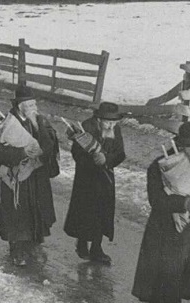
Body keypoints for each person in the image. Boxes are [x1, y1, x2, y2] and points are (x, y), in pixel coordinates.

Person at [132, 121, 190, 303]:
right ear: (180, 148)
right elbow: (156, 200)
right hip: (169, 234)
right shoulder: (160, 166)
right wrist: (184, 203)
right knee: (168, 285)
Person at [0, 85, 60, 267]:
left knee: (36, 210)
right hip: (15, 175)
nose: (33, 108)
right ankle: (17, 248)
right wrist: (22, 152)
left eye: (34, 104)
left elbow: (49, 146)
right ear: (20, 106)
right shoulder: (5, 122)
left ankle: (34, 244)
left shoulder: (40, 121)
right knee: (16, 212)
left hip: (36, 175)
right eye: (29, 105)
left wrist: (39, 130)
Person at [64, 102, 126, 264]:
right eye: (108, 122)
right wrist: (93, 161)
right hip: (87, 178)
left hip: (106, 178)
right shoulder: (86, 128)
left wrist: (107, 159)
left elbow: (120, 153)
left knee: (102, 212)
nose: (111, 125)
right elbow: (77, 154)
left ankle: (97, 248)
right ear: (99, 119)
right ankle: (82, 243)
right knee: (86, 212)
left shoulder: (115, 130)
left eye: (114, 122)